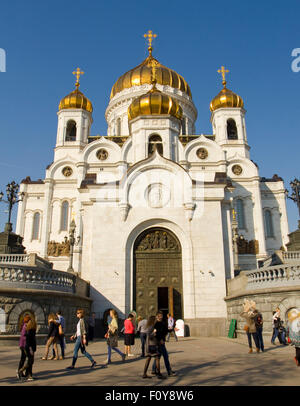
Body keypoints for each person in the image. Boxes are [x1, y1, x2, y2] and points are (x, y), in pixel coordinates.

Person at [151, 311, 176, 376]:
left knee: (158, 356)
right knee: (165, 356)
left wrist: (172, 329)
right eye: (159, 316)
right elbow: (155, 334)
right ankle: (169, 371)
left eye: (161, 316)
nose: (160, 317)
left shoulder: (163, 322)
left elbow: (166, 330)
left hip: (162, 342)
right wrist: (160, 340)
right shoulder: (155, 324)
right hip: (158, 342)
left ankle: (153, 370)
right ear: (156, 316)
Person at [18, 316, 37, 381]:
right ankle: (22, 372)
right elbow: (26, 338)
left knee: (28, 360)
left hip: (26, 346)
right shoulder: (27, 327)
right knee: (29, 360)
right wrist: (30, 348)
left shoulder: (27, 327)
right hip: (25, 346)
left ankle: (27, 374)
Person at [17, 314, 30, 380]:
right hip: (24, 345)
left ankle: (20, 371)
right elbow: (24, 335)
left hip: (22, 344)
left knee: (23, 358)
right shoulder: (25, 326)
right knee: (28, 358)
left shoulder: (23, 325)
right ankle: (20, 371)